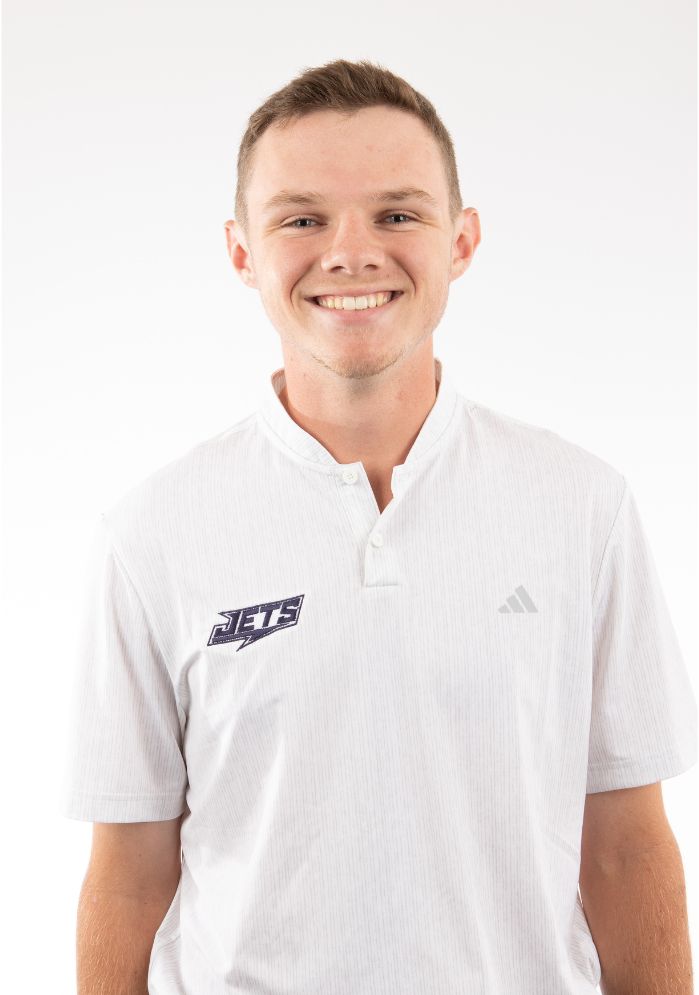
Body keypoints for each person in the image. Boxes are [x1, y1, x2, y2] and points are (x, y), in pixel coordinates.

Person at [60, 59, 697, 994]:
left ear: (460, 241)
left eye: (397, 214)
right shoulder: (152, 534)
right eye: (301, 219)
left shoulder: (581, 506)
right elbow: (128, 874)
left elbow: (625, 850)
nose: (350, 252)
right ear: (241, 252)